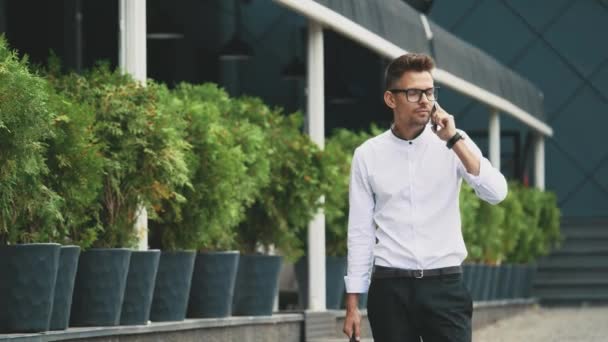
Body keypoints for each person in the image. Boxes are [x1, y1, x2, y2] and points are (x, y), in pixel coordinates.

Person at [342, 53, 508, 342]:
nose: (424, 100)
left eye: (430, 92)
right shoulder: (368, 155)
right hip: (390, 290)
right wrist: (353, 304)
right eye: (413, 92)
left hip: (444, 286)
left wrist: (454, 141)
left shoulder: (455, 142)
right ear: (391, 99)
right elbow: (359, 232)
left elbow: (496, 193)